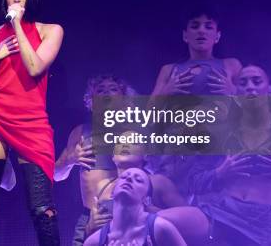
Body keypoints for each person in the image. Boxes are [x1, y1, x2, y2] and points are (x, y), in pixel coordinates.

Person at [157, 65, 271, 246]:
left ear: (269, 90)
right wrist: (219, 173)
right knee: (156, 223)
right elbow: (195, 182)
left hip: (258, 222)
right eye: (243, 83)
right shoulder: (221, 133)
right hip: (219, 212)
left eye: (257, 81)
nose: (250, 87)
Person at [0, 0, 64, 245]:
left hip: (31, 123)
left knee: (41, 209)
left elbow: (35, 66)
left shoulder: (51, 30)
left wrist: (16, 27)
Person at [147, 8, 242, 200]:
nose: (201, 31)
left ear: (217, 36)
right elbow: (149, 112)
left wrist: (232, 92)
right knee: (174, 205)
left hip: (216, 152)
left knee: (211, 210)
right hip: (176, 153)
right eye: (195, 26)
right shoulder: (170, 70)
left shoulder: (230, 65)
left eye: (209, 27)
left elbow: (253, 109)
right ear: (185, 35)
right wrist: (167, 91)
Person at [54, 74, 134, 246]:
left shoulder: (134, 130)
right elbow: (56, 175)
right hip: (91, 216)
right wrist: (69, 160)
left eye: (113, 89)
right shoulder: (80, 132)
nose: (106, 93)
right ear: (91, 99)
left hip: (128, 217)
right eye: (100, 90)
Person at [85, 131, 187, 238]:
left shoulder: (157, 183)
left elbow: (190, 220)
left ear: (145, 155)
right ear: (113, 156)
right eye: (120, 142)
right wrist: (91, 226)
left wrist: (153, 214)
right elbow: (89, 234)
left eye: (133, 142)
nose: (125, 145)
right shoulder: (103, 186)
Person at [83, 168, 187, 246]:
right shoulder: (94, 242)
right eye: (124, 177)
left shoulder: (160, 228)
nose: (128, 179)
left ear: (146, 200)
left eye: (138, 180)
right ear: (112, 192)